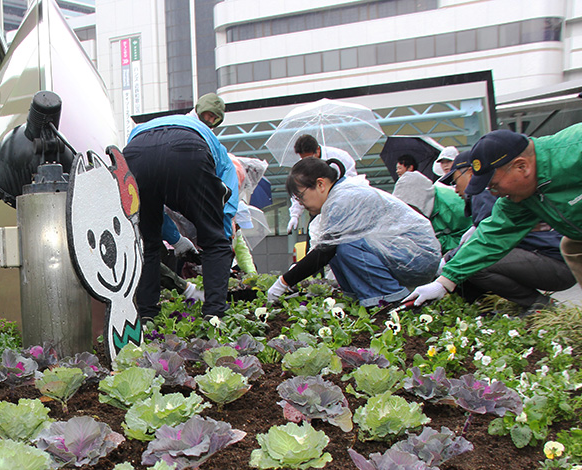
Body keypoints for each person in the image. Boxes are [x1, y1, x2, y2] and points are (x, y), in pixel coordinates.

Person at [411, 127, 582, 307]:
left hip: (553, 259)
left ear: (521, 166)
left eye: (494, 185)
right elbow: (491, 237)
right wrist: (444, 282)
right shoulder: (520, 198)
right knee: (571, 245)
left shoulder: (574, 150)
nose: (493, 194)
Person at [122, 100, 239, 322]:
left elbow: (152, 211)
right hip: (188, 150)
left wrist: (176, 240)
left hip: (135, 153)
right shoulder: (216, 146)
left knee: (147, 242)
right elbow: (226, 205)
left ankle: (147, 316)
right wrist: (222, 237)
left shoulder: (151, 127)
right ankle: (214, 315)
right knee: (215, 241)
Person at [267, 158, 440, 306]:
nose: (301, 204)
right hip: (408, 254)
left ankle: (387, 301)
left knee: (344, 246)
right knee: (337, 245)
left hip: (418, 257)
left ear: (320, 184)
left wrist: (284, 282)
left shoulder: (341, 200)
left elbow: (325, 252)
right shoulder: (340, 194)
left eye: (300, 196)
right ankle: (360, 298)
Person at [287, 134, 363, 234]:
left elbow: (351, 183)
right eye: (303, 159)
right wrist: (295, 215)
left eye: (310, 157)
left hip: (342, 208)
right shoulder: (303, 167)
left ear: (317, 150)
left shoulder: (340, 157)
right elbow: (300, 190)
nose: (307, 161)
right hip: (319, 211)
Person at [392, 169, 473, 254]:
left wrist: (436, 243)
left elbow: (469, 237)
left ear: (419, 200)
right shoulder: (408, 214)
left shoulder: (454, 206)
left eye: (409, 206)